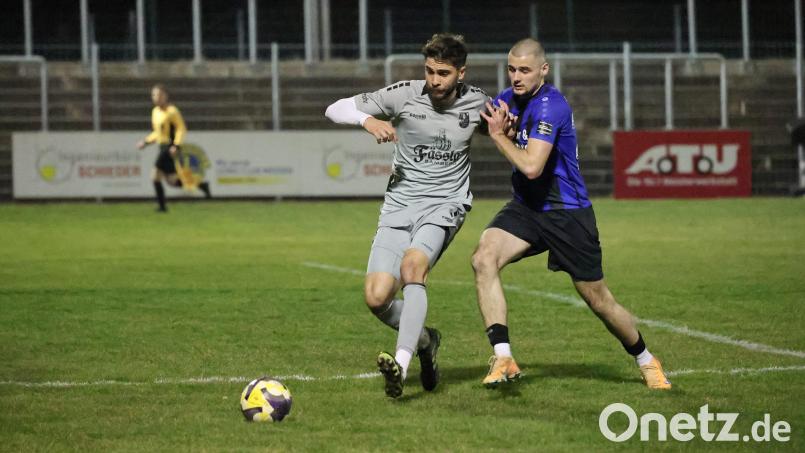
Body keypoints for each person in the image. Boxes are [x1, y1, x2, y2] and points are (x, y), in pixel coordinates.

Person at [472, 38, 671, 390]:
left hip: (567, 213)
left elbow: (532, 166)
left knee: (598, 299)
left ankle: (645, 358)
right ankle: (503, 356)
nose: (516, 77)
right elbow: (480, 120)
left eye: (525, 70)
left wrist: (499, 136)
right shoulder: (507, 99)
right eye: (512, 69)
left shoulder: (552, 106)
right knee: (483, 258)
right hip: (527, 208)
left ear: (543, 70)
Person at [325, 33, 489, 398]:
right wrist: (367, 121)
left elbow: (510, 127)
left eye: (443, 73)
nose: (435, 80)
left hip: (445, 204)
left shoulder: (478, 102)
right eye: (430, 71)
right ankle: (427, 342)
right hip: (399, 206)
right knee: (376, 297)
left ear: (461, 73)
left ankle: (400, 363)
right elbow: (334, 109)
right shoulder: (404, 95)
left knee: (413, 268)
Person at [136, 84, 211, 212]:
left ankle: (162, 207)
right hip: (162, 147)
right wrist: (146, 142)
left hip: (169, 147)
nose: (157, 97)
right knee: (172, 181)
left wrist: (176, 145)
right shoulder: (155, 112)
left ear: (165, 96)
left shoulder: (172, 111)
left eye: (159, 95)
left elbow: (181, 129)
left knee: (155, 176)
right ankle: (201, 185)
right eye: (154, 95)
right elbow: (158, 133)